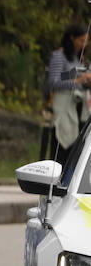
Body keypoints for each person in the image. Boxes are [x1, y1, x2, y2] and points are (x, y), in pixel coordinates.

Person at [46, 24, 91, 165]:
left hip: (78, 110)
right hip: (63, 110)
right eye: (81, 41)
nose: (84, 44)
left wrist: (85, 82)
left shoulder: (77, 59)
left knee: (74, 155)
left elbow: (68, 77)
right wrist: (78, 80)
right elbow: (54, 81)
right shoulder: (59, 56)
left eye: (86, 41)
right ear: (72, 38)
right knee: (59, 154)